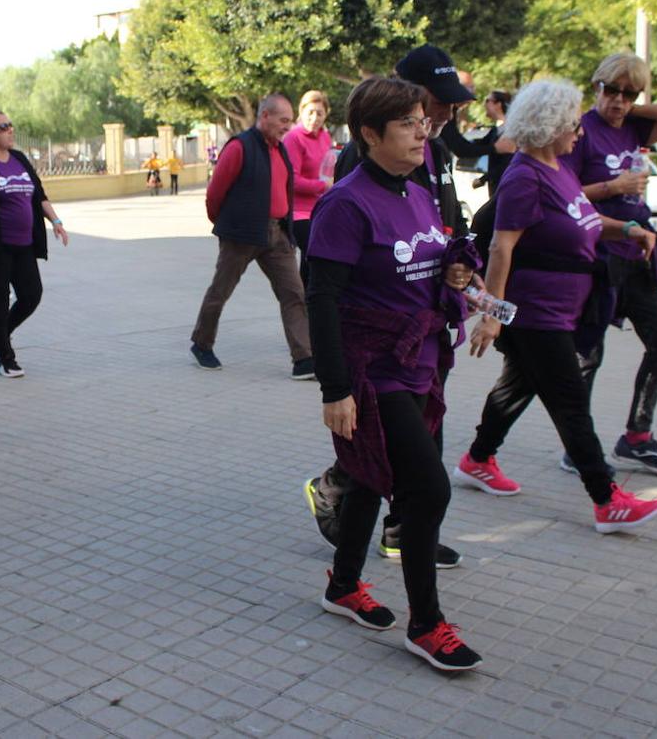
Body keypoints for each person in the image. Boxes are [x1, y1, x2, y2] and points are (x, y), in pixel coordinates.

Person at [308, 76, 482, 671]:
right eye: (408, 122)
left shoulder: (417, 190)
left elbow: (427, 259)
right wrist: (335, 390)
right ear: (369, 134)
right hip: (371, 369)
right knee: (426, 488)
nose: (423, 130)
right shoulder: (345, 203)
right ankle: (426, 625)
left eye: (422, 120)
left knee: (365, 477)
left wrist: (454, 274)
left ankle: (342, 586)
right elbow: (322, 300)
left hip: (421, 363)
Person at [452, 78, 657, 534]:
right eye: (572, 122)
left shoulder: (560, 170)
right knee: (570, 401)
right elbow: (500, 250)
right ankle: (607, 499)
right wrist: (491, 314)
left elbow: (583, 219)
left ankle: (476, 460)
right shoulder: (524, 176)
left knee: (518, 386)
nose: (580, 130)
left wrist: (627, 230)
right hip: (534, 312)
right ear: (550, 127)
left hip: (563, 309)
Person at [564, 53, 657, 477]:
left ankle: (637, 437)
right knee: (588, 356)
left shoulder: (635, 126)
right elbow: (563, 195)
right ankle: (578, 447)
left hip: (637, 255)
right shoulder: (580, 132)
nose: (618, 100)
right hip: (597, 255)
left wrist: (630, 106)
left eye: (628, 93)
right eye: (610, 90)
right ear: (595, 86)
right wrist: (613, 186)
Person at [189, 94, 313, 379]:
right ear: (265, 116)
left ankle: (304, 359)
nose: (288, 125)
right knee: (221, 291)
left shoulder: (279, 149)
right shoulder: (239, 147)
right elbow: (215, 193)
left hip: (277, 234)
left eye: (290, 120)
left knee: (294, 293)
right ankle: (201, 344)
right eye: (283, 120)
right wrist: (225, 225)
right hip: (241, 235)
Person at [0, 110, 68, 378]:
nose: (10, 130)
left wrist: (56, 222)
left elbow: (39, 194)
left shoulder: (19, 159)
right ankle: (4, 357)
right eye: (3, 127)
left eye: (11, 125)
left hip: (25, 244)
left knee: (31, 295)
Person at [283, 90, 333, 287]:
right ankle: (308, 303)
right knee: (316, 254)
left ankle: (308, 303)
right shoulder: (293, 138)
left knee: (312, 261)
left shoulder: (325, 137)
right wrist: (323, 185)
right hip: (298, 212)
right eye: (310, 112)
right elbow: (292, 180)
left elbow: (327, 169)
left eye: (319, 113)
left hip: (320, 208)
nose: (314, 118)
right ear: (301, 112)